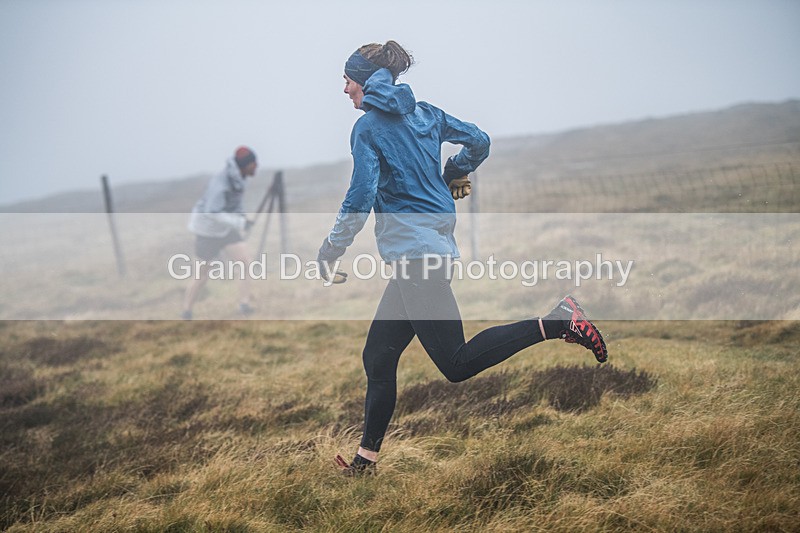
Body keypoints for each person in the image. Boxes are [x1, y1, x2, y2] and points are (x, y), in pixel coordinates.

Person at [318, 41, 608, 476]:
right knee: (378, 358)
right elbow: (478, 139)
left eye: (346, 80)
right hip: (425, 254)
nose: (343, 89)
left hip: (418, 261)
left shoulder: (368, 130)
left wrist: (331, 248)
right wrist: (456, 171)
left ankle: (558, 321)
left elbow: (359, 196)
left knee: (456, 363)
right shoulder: (426, 113)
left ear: (363, 81)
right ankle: (365, 463)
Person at [181, 146, 259, 319]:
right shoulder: (221, 182)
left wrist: (243, 219)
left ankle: (244, 305)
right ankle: (186, 310)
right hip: (207, 231)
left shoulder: (240, 178)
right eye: (254, 163)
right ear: (245, 165)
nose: (257, 166)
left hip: (225, 229)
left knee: (245, 262)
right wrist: (239, 222)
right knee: (202, 276)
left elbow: (235, 204)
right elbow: (212, 212)